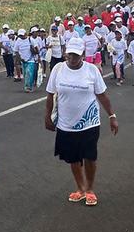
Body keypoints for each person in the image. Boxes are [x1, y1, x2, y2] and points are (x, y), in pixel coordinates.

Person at [44, 37, 118, 207]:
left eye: (77, 56)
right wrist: (47, 116)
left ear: (83, 55)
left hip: (89, 123)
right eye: (70, 55)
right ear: (65, 53)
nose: (73, 59)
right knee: (73, 158)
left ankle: (90, 189)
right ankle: (80, 188)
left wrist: (112, 116)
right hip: (65, 124)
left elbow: (102, 96)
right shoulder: (58, 69)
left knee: (89, 156)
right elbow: (50, 95)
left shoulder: (91, 70)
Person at [13, 28, 38, 93]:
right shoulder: (18, 41)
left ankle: (28, 87)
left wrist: (33, 50)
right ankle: (28, 86)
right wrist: (20, 59)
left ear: (25, 34)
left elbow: (37, 50)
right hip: (23, 60)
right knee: (25, 74)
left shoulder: (30, 40)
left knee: (29, 72)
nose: (21, 37)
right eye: (20, 36)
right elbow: (16, 51)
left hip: (31, 59)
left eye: (22, 35)